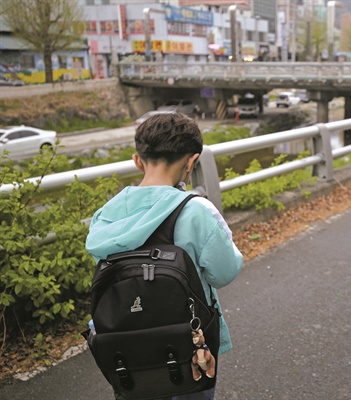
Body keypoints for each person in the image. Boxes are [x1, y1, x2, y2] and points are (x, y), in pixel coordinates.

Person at [85, 112, 244, 400]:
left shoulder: (105, 215)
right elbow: (224, 272)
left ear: (137, 160)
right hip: (188, 346)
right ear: (192, 161)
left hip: (125, 348)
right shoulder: (195, 210)